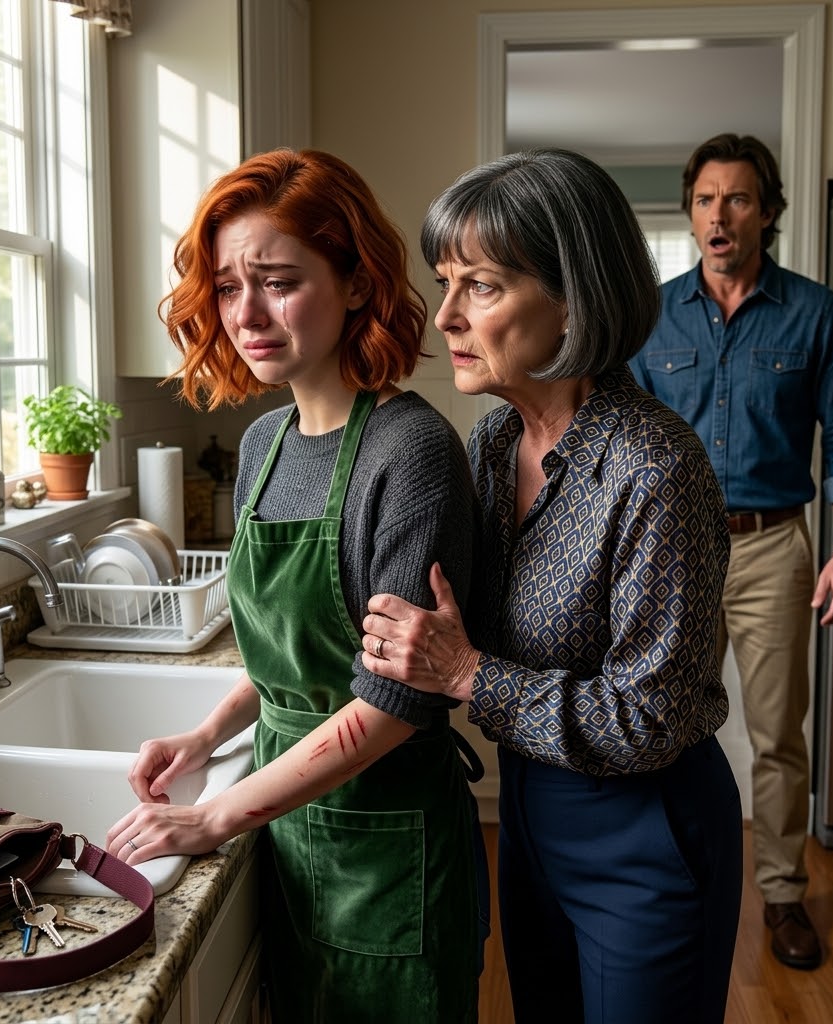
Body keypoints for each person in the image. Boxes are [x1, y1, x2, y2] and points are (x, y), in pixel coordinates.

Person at [361, 148, 743, 1024]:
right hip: (530, 812)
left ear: (574, 298)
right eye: (445, 283)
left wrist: (469, 674)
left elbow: (647, 720)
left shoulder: (656, 467)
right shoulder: (493, 445)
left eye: (481, 286)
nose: (446, 315)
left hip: (646, 828)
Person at [105, 148, 484, 1022]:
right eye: (228, 287)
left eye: (278, 282)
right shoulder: (263, 445)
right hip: (285, 825)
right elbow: (291, 651)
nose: (247, 313)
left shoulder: (413, 454)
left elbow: (393, 703)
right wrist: (206, 735)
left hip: (386, 839)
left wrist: (214, 818)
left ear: (356, 283)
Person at [629, 133, 833, 971]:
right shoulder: (652, 315)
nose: (719, 215)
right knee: (665, 723)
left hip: (776, 548)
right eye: (705, 199)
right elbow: (626, 438)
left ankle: (781, 894)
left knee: (776, 735)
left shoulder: (817, 313)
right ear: (690, 212)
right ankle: (670, 877)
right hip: (676, 550)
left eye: (737, 199)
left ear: (766, 212)